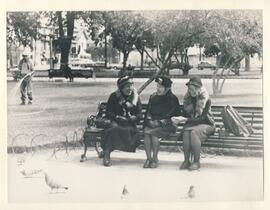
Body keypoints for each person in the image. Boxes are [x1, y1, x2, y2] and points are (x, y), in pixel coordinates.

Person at [172, 76, 215, 170]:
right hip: (193, 125)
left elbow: (202, 118)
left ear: (198, 89)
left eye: (193, 89)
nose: (190, 91)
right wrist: (177, 119)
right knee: (186, 133)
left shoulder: (205, 100)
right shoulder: (188, 98)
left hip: (207, 124)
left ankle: (196, 161)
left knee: (193, 132)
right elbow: (185, 115)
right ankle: (187, 160)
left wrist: (184, 120)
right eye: (189, 89)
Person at [101, 75, 142, 167]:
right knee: (113, 129)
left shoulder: (135, 98)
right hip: (116, 121)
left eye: (131, 85)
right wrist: (117, 117)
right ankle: (107, 153)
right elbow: (109, 112)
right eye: (127, 86)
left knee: (129, 132)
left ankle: (106, 150)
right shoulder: (114, 96)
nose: (130, 88)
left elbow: (140, 114)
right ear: (121, 87)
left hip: (129, 124)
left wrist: (134, 118)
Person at [143, 76, 181, 168]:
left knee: (154, 133)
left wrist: (159, 123)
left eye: (160, 87)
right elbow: (148, 112)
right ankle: (148, 158)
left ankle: (155, 159)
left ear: (167, 88)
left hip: (167, 125)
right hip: (153, 123)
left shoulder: (172, 99)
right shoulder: (153, 97)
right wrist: (149, 121)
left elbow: (173, 116)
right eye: (157, 86)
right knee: (147, 133)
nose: (158, 89)